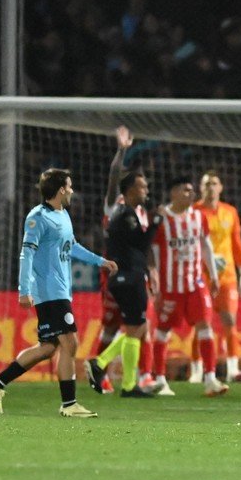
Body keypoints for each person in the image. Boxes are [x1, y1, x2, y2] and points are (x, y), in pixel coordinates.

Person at [0, 169, 115, 418]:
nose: (73, 191)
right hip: (48, 291)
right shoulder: (37, 217)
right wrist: (24, 290)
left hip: (61, 290)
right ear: (61, 190)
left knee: (47, 348)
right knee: (70, 342)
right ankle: (69, 404)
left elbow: (71, 246)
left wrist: (99, 261)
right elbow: (26, 253)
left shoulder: (63, 215)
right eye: (70, 186)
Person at [152, 176, 230, 397]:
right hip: (170, 287)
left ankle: (210, 378)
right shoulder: (161, 219)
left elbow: (205, 245)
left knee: (206, 326)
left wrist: (213, 275)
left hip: (196, 284)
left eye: (191, 190)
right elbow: (155, 253)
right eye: (186, 190)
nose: (191, 194)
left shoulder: (198, 216)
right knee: (162, 330)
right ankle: (159, 379)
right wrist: (155, 284)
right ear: (174, 193)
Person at [94, 127, 157, 393]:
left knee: (141, 326)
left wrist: (152, 269)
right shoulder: (115, 205)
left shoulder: (141, 212)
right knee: (112, 326)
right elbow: (112, 177)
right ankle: (101, 373)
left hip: (136, 273)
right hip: (114, 272)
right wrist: (122, 150)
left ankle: (141, 377)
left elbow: (145, 245)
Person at [189, 170, 241, 383]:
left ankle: (233, 369)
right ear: (201, 188)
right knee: (201, 323)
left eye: (214, 183)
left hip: (227, 277)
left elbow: (237, 245)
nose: (210, 187)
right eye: (206, 184)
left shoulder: (230, 212)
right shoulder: (194, 211)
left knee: (229, 320)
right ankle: (197, 371)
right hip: (201, 276)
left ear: (221, 187)